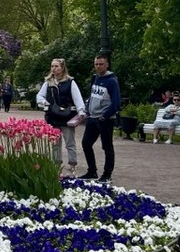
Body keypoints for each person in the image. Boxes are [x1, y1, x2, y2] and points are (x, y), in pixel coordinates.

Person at [36, 59, 85, 177]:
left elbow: (77, 98)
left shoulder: (70, 82)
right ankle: (56, 164)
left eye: (56, 66)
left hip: (67, 116)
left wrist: (81, 112)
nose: (54, 68)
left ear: (62, 68)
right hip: (53, 116)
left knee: (70, 141)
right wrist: (45, 103)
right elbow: (39, 96)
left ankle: (72, 164)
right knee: (55, 142)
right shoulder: (48, 82)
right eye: (52, 66)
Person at [82, 55, 121, 184]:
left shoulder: (112, 81)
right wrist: (88, 109)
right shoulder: (95, 78)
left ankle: (107, 174)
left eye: (101, 64)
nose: (98, 66)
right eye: (96, 64)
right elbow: (92, 96)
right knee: (86, 143)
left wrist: (104, 116)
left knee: (107, 146)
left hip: (105, 119)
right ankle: (92, 171)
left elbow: (116, 103)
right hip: (92, 118)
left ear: (107, 65)